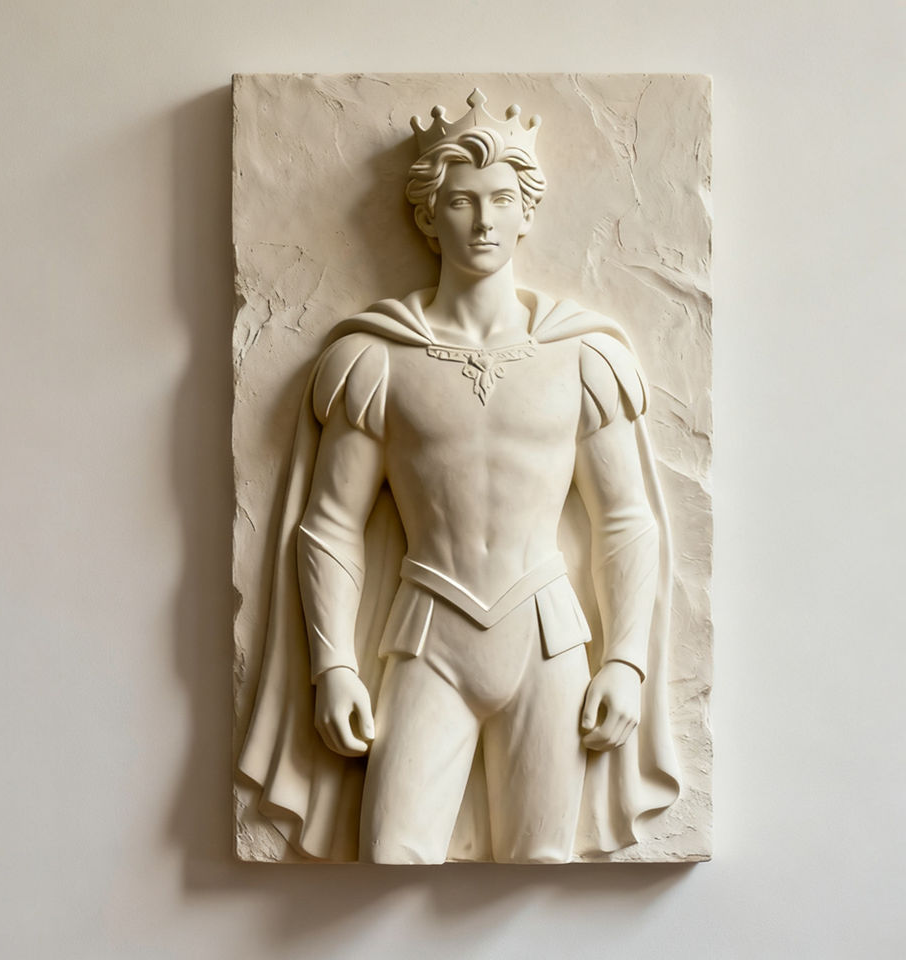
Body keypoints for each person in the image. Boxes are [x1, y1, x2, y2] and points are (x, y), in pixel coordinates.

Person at [238, 89, 680, 863]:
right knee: (389, 853)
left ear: (526, 212)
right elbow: (331, 524)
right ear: (427, 214)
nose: (482, 221)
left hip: (547, 639)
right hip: (428, 638)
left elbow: (625, 519)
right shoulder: (378, 359)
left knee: (545, 866)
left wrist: (626, 661)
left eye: (501, 200)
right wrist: (333, 666)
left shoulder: (582, 357)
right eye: (461, 201)